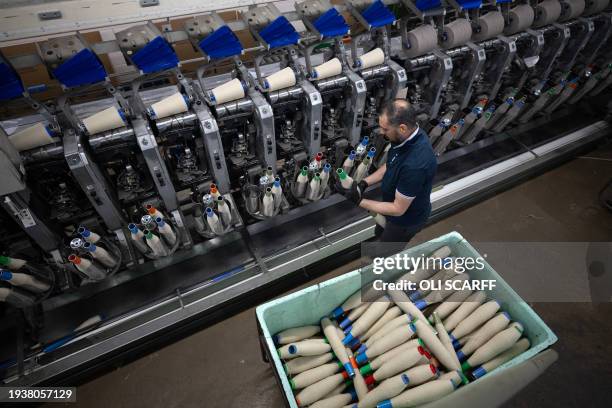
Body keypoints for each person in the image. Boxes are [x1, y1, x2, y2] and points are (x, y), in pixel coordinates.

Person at [338, 99, 437, 245]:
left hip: (403, 222)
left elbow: (398, 209)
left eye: (385, 129)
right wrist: (364, 183)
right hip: (389, 211)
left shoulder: (415, 166)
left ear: (402, 128)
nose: (382, 133)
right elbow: (392, 163)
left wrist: (359, 201)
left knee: (385, 253)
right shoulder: (407, 136)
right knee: (380, 232)